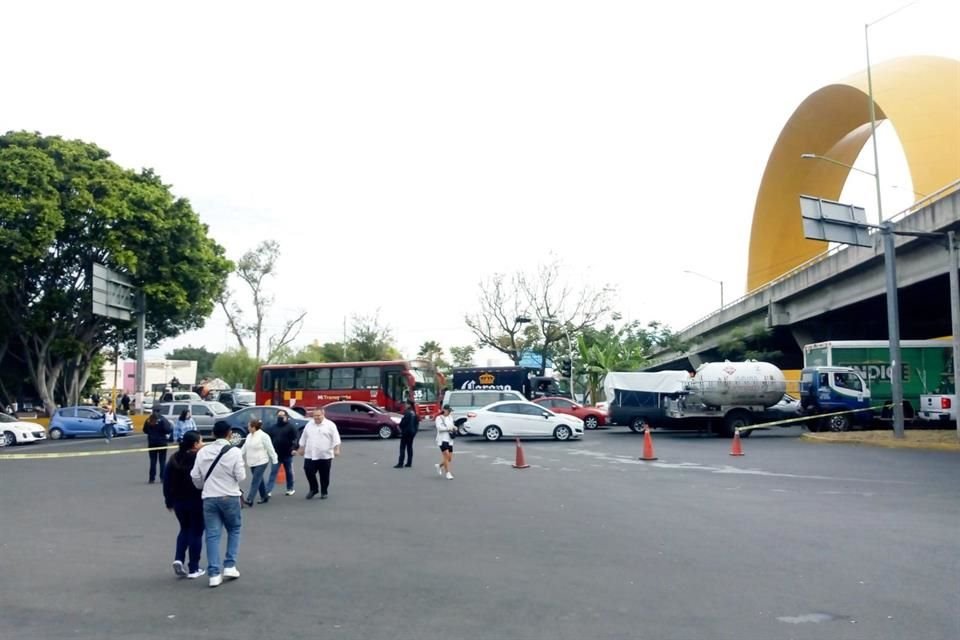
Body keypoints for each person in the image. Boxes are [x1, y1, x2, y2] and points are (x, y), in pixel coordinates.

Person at [190, 421, 246, 588]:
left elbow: (195, 475)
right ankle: (230, 565)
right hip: (230, 495)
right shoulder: (235, 452)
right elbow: (241, 476)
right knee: (234, 529)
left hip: (209, 496)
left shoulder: (203, 451)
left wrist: (202, 486)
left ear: (213, 434)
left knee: (212, 535)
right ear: (229, 433)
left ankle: (214, 573)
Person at [163, 431, 206, 580]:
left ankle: (178, 558)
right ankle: (194, 567)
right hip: (197, 500)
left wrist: (168, 501)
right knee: (196, 532)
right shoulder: (199, 458)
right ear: (195, 444)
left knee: (184, 529)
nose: (203, 444)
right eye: (201, 441)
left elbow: (166, 481)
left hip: (178, 502)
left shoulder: (174, 458)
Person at [294, 407, 341, 500]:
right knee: (308, 470)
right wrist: (301, 448)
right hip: (310, 454)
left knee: (324, 475)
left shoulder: (330, 425)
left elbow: (336, 438)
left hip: (325, 455)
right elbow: (303, 437)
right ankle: (314, 489)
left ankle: (324, 491)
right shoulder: (309, 424)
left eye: (318, 415)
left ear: (323, 414)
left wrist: (337, 449)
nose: (316, 417)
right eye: (314, 416)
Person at [241, 418, 277, 507]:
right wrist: (238, 455)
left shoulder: (263, 436)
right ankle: (264, 496)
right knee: (259, 479)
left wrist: (274, 459)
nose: (248, 428)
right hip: (252, 462)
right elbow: (244, 447)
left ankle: (250, 499)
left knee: (255, 480)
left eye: (249, 426)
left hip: (261, 461)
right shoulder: (249, 436)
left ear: (254, 427)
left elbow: (270, 448)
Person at [266, 410, 298, 496]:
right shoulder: (273, 427)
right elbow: (268, 439)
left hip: (287, 453)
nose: (280, 418)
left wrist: (294, 449)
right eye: (279, 416)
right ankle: (268, 491)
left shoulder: (291, 427)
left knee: (289, 472)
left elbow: (295, 439)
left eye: (282, 416)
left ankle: (290, 488)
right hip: (276, 454)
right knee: (273, 472)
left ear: (286, 417)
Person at [144, 408, 173, 483]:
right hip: (162, 443)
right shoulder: (163, 420)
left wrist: (151, 433)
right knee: (162, 461)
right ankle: (162, 477)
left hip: (152, 443)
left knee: (153, 461)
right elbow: (168, 430)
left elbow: (145, 430)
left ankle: (151, 478)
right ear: (160, 411)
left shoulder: (148, 420)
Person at [394, 400, 419, 468]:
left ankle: (400, 463)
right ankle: (409, 462)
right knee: (409, 447)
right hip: (412, 432)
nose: (405, 405)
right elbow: (416, 423)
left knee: (402, 447)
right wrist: (415, 431)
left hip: (406, 432)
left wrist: (400, 427)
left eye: (406, 404)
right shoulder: (414, 412)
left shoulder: (407, 413)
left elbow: (403, 422)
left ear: (409, 405)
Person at [435, 404, 455, 480]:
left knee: (449, 458)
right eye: (448, 410)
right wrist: (448, 429)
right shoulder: (439, 418)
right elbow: (439, 428)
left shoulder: (450, 417)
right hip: (442, 439)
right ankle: (448, 473)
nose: (449, 412)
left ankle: (439, 466)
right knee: (446, 455)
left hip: (449, 439)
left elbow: (452, 425)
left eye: (450, 411)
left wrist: (454, 428)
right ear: (444, 410)